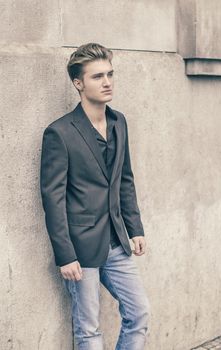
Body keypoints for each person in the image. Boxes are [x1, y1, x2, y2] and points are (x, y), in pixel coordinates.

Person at [40, 43, 150, 350]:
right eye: (97, 76)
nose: (107, 82)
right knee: (88, 328)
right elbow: (53, 199)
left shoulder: (119, 122)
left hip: (117, 240)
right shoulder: (59, 133)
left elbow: (124, 179)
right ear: (78, 83)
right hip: (81, 247)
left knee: (139, 312)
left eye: (110, 74)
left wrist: (135, 227)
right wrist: (65, 254)